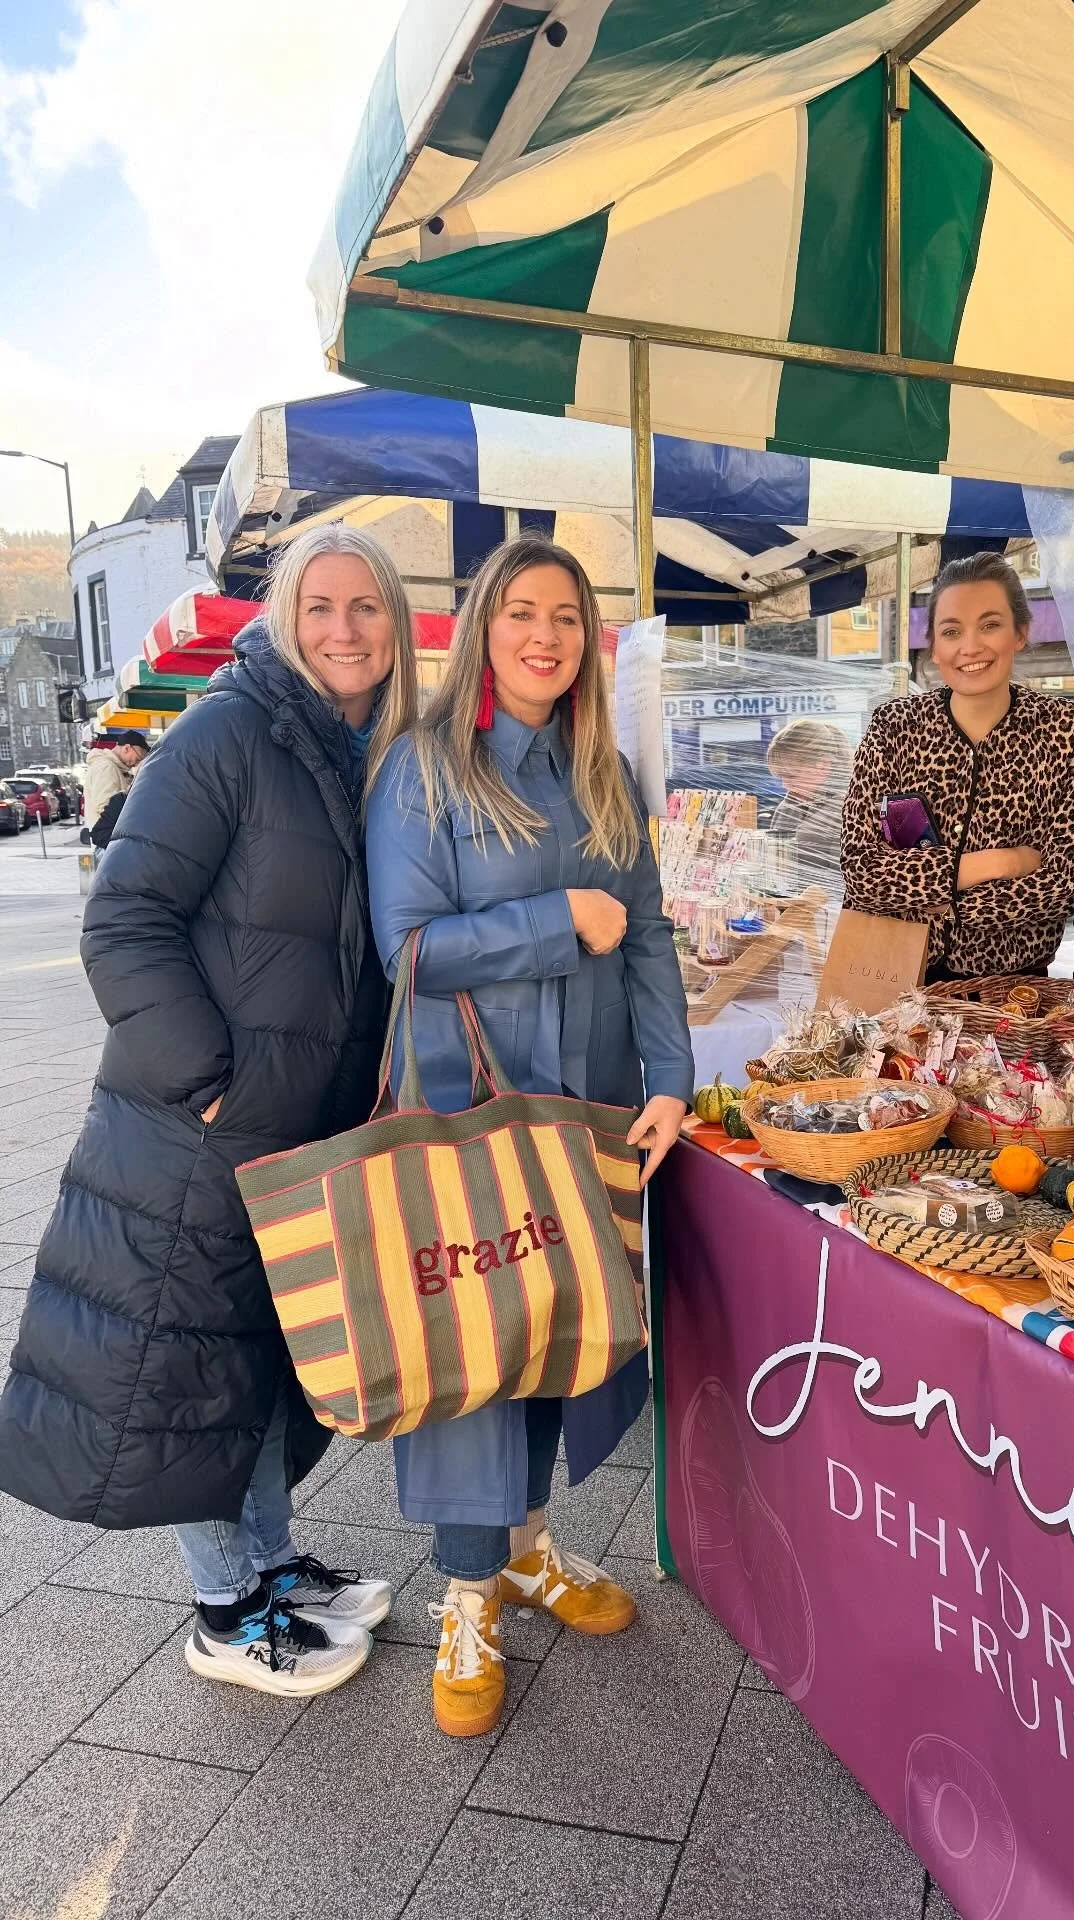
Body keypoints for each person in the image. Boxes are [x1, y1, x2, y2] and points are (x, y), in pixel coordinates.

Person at [0, 524, 420, 1697]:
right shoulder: (229, 732)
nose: (346, 629)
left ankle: (273, 1565)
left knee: (259, 1357)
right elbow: (123, 918)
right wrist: (209, 1079)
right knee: (189, 1363)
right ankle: (225, 1610)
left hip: (296, 1130)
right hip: (201, 1130)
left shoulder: (362, 747)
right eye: (322, 606)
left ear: (394, 627)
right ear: (286, 618)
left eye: (367, 608)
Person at [366, 533, 693, 1740]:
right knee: (475, 1352)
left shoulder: (604, 769)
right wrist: (558, 920)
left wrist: (672, 1073)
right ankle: (465, 1593)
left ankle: (528, 1551)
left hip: (596, 1106)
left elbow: (648, 932)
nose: (546, 635)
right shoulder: (424, 771)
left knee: (562, 1329)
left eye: (566, 616)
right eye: (522, 614)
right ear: (482, 629)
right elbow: (405, 949)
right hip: (469, 1112)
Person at [840, 552, 1074, 979]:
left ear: (1020, 633)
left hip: (1011, 995)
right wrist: (999, 863)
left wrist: (929, 900)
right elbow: (861, 868)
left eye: (989, 625)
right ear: (934, 646)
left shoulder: (1065, 731)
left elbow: (1061, 883)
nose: (970, 647)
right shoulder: (894, 728)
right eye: (951, 631)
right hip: (893, 979)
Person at [766, 719, 854, 889]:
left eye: (792, 775)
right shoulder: (787, 807)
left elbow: (846, 885)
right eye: (780, 777)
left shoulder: (851, 810)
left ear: (822, 765)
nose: (785, 785)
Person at [82, 728, 148, 847]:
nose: (136, 763)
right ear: (127, 748)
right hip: (108, 838)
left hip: (108, 837)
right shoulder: (106, 768)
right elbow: (106, 806)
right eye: (137, 758)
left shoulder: (113, 768)